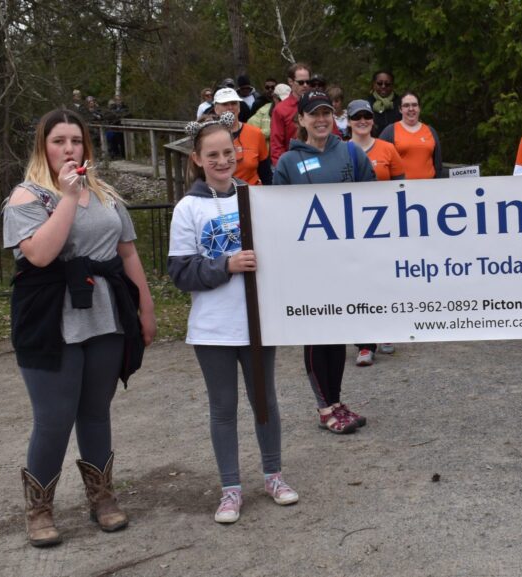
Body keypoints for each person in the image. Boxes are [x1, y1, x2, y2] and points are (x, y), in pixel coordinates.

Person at [3, 108, 156, 547]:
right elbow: (40, 256)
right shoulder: (26, 197)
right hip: (50, 319)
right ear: (43, 147)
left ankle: (102, 498)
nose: (69, 149)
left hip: (106, 315)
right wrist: (67, 197)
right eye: (59, 141)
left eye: (76, 141)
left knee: (95, 411)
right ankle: (39, 508)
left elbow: (127, 254)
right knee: (54, 419)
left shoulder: (105, 193)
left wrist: (145, 306)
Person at [168, 112, 299, 524]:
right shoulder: (187, 208)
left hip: (258, 323)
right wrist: (225, 265)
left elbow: (279, 255)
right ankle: (230, 488)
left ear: (238, 152)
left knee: (265, 401)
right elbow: (180, 272)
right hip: (213, 328)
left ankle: (273, 475)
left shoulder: (256, 197)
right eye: (213, 155)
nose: (223, 161)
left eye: (229, 152)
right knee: (223, 407)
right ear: (197, 159)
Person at [274, 91, 377, 432]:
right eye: (313, 114)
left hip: (346, 262)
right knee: (317, 332)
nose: (321, 119)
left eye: (326, 113)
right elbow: (279, 215)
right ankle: (324, 408)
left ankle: (336, 401)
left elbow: (374, 201)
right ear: (301, 119)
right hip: (309, 266)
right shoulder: (289, 162)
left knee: (339, 330)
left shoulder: (350, 152)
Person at [346, 99, 404, 362]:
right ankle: (364, 345)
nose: (362, 121)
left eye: (366, 116)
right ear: (348, 121)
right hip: (351, 226)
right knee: (358, 282)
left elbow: (401, 188)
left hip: (384, 226)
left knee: (384, 278)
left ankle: (387, 328)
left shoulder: (388, 149)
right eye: (356, 116)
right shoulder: (341, 151)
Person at [211, 88, 271, 186]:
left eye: (234, 103)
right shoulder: (209, 136)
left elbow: (266, 173)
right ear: (216, 109)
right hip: (221, 195)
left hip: (251, 194)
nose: (230, 107)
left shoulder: (256, 133)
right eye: (225, 104)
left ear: (239, 107)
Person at [379, 92, 442, 179]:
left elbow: (437, 163)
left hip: (429, 187)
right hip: (402, 189)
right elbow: (380, 161)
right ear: (400, 109)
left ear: (419, 108)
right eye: (406, 105)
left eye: (414, 105)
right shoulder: (390, 131)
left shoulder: (430, 131)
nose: (411, 108)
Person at [270, 62, 312, 165]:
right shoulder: (280, 109)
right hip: (292, 164)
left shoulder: (318, 104)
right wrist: (283, 168)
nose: (305, 85)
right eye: (301, 82)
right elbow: (276, 145)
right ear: (290, 81)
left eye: (308, 82)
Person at [367, 70, 402, 138]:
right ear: (374, 84)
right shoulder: (366, 104)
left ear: (392, 85)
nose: (383, 86)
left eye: (387, 84)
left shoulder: (401, 103)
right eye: (379, 83)